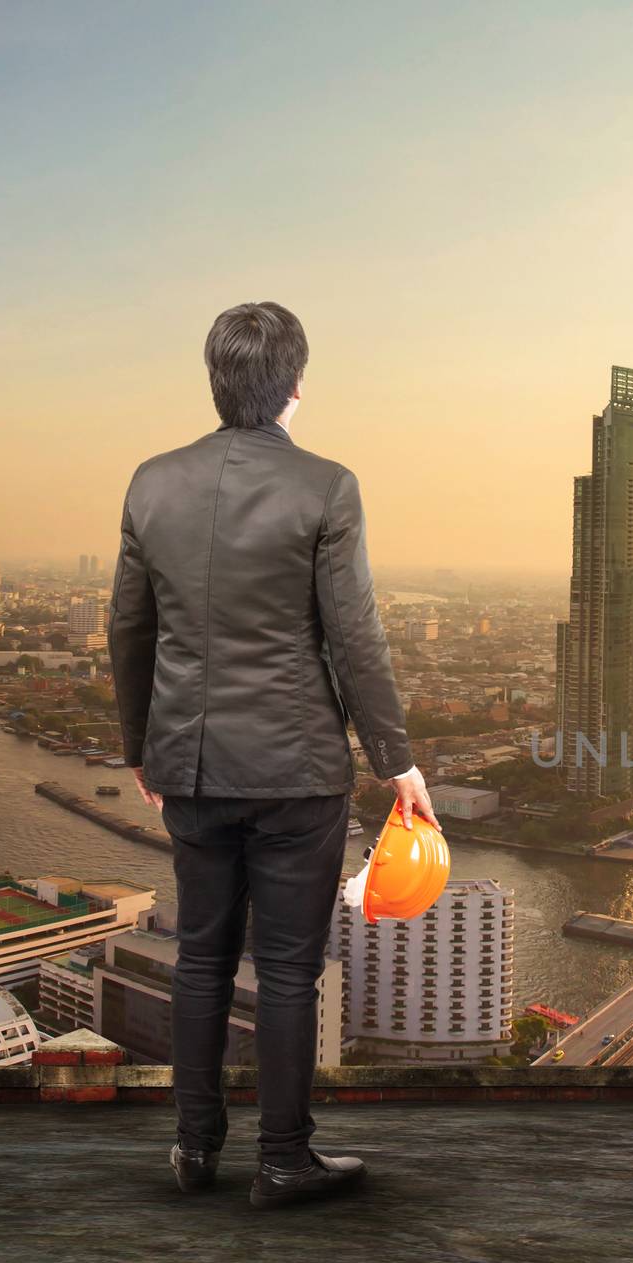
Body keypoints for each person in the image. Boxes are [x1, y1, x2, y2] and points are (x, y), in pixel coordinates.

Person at [108, 301, 437, 1210]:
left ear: (216, 381)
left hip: (193, 767)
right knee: (290, 970)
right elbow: (354, 636)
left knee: (200, 960)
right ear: (296, 386)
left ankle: (192, 1149)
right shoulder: (326, 486)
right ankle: (285, 1160)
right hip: (297, 771)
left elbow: (129, 630)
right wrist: (395, 760)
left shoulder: (151, 482)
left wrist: (141, 747)